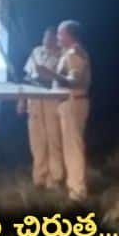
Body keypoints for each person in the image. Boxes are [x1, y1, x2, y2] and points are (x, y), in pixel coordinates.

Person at [36, 20, 92, 201]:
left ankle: (78, 190)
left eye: (60, 34)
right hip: (68, 103)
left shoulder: (75, 54)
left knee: (72, 147)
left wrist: (50, 74)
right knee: (69, 147)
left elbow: (73, 80)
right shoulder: (68, 53)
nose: (57, 37)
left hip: (73, 102)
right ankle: (74, 187)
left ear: (69, 36)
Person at [19, 27, 63, 190]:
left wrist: (45, 74)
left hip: (51, 98)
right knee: (37, 139)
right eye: (44, 35)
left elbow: (60, 79)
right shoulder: (36, 52)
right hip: (34, 97)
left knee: (53, 138)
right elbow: (26, 77)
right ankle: (39, 176)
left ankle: (55, 177)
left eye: (50, 37)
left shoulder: (61, 55)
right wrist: (21, 99)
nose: (46, 39)